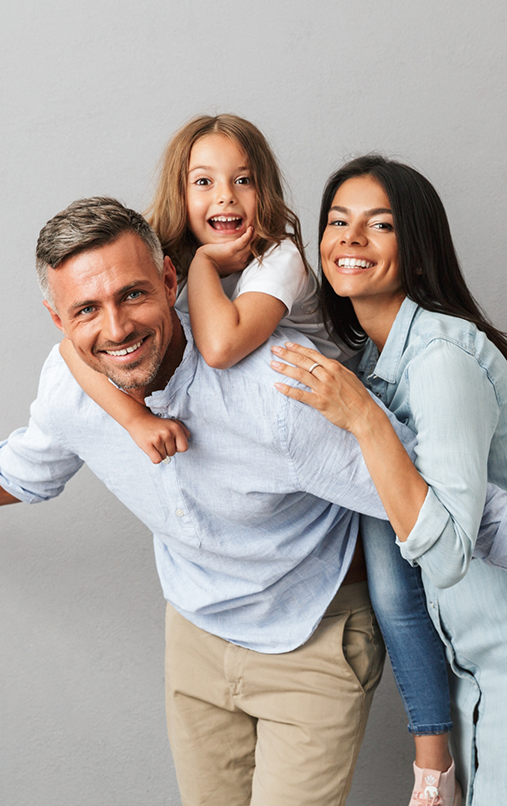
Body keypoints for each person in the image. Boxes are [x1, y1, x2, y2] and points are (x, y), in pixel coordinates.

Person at [0, 196, 420, 806]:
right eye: (86, 309)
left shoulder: (278, 393)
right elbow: (18, 472)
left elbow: (439, 496)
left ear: (171, 279)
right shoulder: (72, 390)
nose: (115, 329)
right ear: (57, 319)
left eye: (133, 295)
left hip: (311, 636)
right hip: (195, 634)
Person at [271, 155, 507, 806]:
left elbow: (446, 551)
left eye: (378, 224)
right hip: (472, 680)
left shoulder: (439, 359)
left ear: (419, 246)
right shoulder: (376, 362)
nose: (349, 237)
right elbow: (396, 584)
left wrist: (363, 421)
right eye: (337, 222)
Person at [59, 114, 347, 463]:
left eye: (243, 180)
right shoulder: (163, 259)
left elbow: (221, 349)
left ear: (264, 190)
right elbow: (69, 349)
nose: (226, 196)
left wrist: (204, 265)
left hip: (328, 414)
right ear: (178, 192)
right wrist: (135, 421)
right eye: (204, 182)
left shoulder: (278, 256)